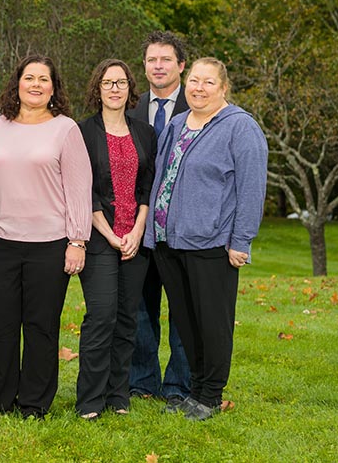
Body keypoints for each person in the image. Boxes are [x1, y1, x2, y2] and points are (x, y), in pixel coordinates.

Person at [0, 54, 92, 419]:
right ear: (17, 84)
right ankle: (2, 399)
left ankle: (35, 403)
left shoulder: (66, 129)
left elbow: (78, 188)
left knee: (40, 327)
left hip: (49, 245)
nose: (36, 85)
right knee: (0, 325)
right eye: (29, 78)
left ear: (54, 88)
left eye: (44, 79)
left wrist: (77, 241)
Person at [144, 57, 267, 421]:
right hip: (170, 241)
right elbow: (162, 176)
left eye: (208, 82)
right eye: (194, 81)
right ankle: (194, 390)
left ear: (223, 87)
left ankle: (211, 395)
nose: (198, 88)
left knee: (212, 323)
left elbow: (251, 188)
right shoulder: (179, 123)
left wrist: (241, 241)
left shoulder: (240, 128)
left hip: (212, 244)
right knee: (185, 321)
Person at [75, 60, 156, 419]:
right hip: (98, 237)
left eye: (121, 82)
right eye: (108, 82)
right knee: (101, 316)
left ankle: (117, 395)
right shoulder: (82, 132)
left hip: (134, 240)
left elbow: (146, 187)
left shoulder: (145, 133)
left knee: (127, 319)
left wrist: (137, 230)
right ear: (98, 88)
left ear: (129, 88)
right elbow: (83, 191)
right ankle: (90, 400)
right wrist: (109, 234)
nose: (114, 89)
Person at [126, 31, 192, 406]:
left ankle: (179, 387)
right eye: (152, 60)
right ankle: (142, 382)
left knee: (183, 311)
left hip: (183, 227)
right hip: (139, 226)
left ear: (181, 66)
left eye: (166, 59)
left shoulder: (198, 104)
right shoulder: (131, 108)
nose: (158, 66)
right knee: (140, 309)